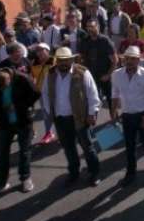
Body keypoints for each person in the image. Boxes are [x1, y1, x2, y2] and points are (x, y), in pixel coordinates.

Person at [42, 47, 101, 187]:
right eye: (60, 60)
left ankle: (94, 174)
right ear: (56, 60)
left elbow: (93, 94)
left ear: (71, 60)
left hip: (80, 118)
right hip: (61, 119)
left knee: (87, 147)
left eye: (66, 60)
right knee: (68, 148)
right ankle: (74, 173)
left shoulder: (82, 72)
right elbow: (45, 93)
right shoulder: (50, 73)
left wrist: (92, 113)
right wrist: (49, 110)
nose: (63, 63)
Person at [0, 67, 41, 199]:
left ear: (10, 79)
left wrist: (19, 105)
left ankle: (25, 178)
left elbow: (36, 93)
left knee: (24, 151)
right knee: (2, 152)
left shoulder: (23, 78)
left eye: (5, 87)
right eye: (0, 89)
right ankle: (2, 182)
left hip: (22, 121)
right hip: (4, 123)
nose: (2, 90)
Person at [111, 46, 144, 187]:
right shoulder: (116, 75)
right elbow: (114, 94)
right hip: (127, 116)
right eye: (127, 58)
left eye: (133, 59)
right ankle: (131, 173)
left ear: (139, 60)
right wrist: (113, 112)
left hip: (143, 114)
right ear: (124, 59)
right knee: (130, 147)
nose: (130, 61)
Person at [77, 19, 117, 108]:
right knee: (91, 102)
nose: (89, 29)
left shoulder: (105, 41)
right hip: (90, 76)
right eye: (88, 27)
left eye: (92, 26)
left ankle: (114, 119)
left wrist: (108, 75)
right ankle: (92, 120)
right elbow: (80, 59)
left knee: (111, 100)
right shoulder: (85, 41)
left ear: (97, 27)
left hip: (104, 76)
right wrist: (82, 74)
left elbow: (115, 60)